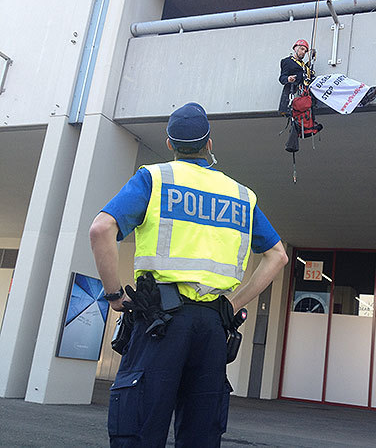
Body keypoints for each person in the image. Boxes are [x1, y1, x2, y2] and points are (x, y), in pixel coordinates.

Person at [89, 102, 288, 447]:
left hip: (159, 324)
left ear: (170, 144)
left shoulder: (154, 178)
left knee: (139, 427)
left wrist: (114, 295)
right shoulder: (242, 195)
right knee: (202, 432)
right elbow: (278, 256)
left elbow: (101, 229)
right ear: (209, 143)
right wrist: (231, 305)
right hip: (212, 328)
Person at [278, 39, 376, 116]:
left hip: (314, 85)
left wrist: (311, 60)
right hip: (308, 87)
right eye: (301, 49)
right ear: (295, 48)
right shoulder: (287, 61)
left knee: (338, 80)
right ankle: (361, 98)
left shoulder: (304, 65)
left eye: (305, 51)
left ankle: (364, 94)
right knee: (335, 85)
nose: (303, 52)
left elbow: (306, 71)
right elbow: (282, 78)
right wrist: (289, 79)